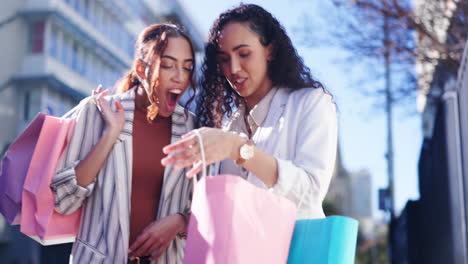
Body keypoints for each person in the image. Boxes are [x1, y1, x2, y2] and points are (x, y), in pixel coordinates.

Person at [162, 4, 338, 220]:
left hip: (294, 249)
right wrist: (181, 221)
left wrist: (239, 150)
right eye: (224, 59)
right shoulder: (228, 126)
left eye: (243, 54)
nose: (233, 68)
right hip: (239, 252)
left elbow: (310, 193)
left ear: (270, 50)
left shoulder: (311, 103)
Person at [51, 24, 196, 264]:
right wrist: (110, 134)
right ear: (141, 68)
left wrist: (180, 221)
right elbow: (63, 202)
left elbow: (206, 213)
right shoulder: (97, 111)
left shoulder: (194, 129)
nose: (180, 77)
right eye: (168, 65)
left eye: (187, 67)